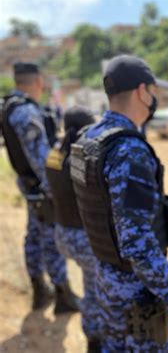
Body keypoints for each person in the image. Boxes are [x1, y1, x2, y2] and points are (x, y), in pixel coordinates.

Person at [69, 55, 168, 352]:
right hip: (137, 295)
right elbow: (137, 244)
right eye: (153, 90)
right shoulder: (129, 150)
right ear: (141, 92)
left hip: (106, 282)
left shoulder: (89, 140)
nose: (156, 97)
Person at [1, 62, 79, 313]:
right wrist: (55, 189)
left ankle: (40, 291)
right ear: (37, 81)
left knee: (34, 235)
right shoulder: (24, 112)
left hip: (30, 185)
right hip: (41, 186)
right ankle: (62, 295)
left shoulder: (13, 106)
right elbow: (40, 158)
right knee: (51, 238)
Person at [45, 106, 101, 352]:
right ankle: (95, 340)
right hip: (83, 240)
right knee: (94, 292)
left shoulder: (54, 155)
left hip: (62, 234)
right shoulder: (83, 160)